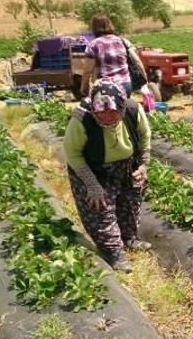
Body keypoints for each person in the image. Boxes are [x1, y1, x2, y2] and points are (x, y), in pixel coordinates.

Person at [64, 79, 153, 273]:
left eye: (114, 113)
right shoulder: (82, 118)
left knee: (130, 202)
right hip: (92, 168)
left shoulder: (132, 110)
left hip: (126, 164)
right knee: (101, 209)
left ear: (122, 107)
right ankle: (114, 253)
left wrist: (143, 164)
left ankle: (130, 238)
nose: (107, 117)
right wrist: (91, 184)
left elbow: (145, 137)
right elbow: (72, 154)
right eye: (101, 113)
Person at [81, 14, 147, 98]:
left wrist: (84, 86)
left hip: (104, 88)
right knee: (123, 108)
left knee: (104, 110)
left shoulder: (93, 45)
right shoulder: (123, 41)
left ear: (94, 28)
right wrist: (145, 78)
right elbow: (137, 61)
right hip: (125, 85)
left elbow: (87, 71)